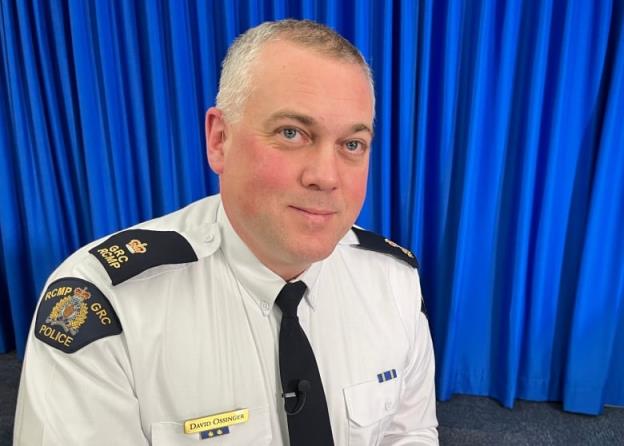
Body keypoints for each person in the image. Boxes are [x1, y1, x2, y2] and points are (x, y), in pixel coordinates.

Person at [14, 19, 438, 445]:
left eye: (352, 144)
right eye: (292, 133)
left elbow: (410, 434)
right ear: (219, 140)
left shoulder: (393, 281)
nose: (326, 177)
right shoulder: (107, 305)